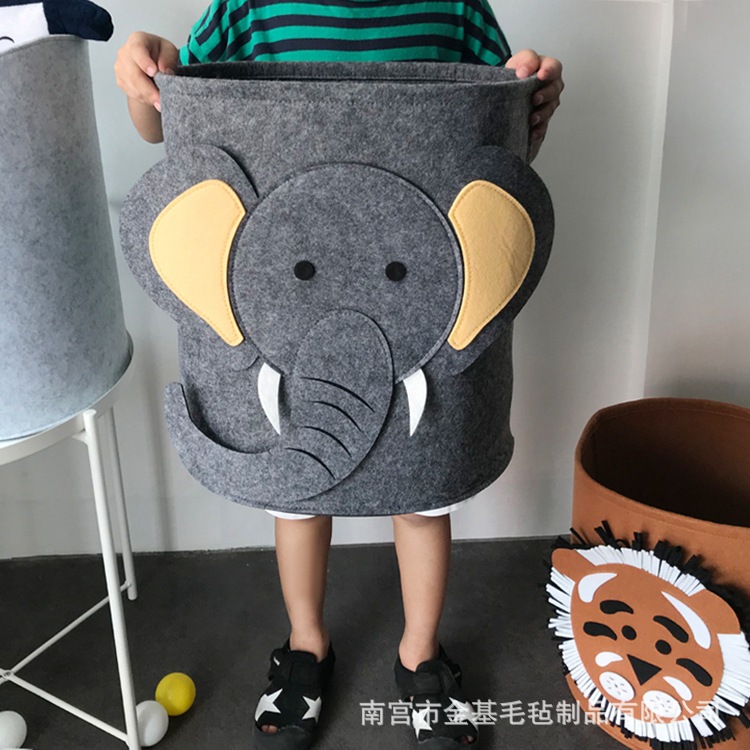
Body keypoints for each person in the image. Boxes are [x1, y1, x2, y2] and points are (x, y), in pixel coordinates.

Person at [115, 2, 563, 747]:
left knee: (423, 494)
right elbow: (172, 126)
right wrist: (145, 77)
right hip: (287, 317)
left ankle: (421, 653)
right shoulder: (248, 6)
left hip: (420, 310)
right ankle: (306, 644)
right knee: (298, 498)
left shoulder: (455, 6)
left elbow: (496, 149)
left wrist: (533, 99)